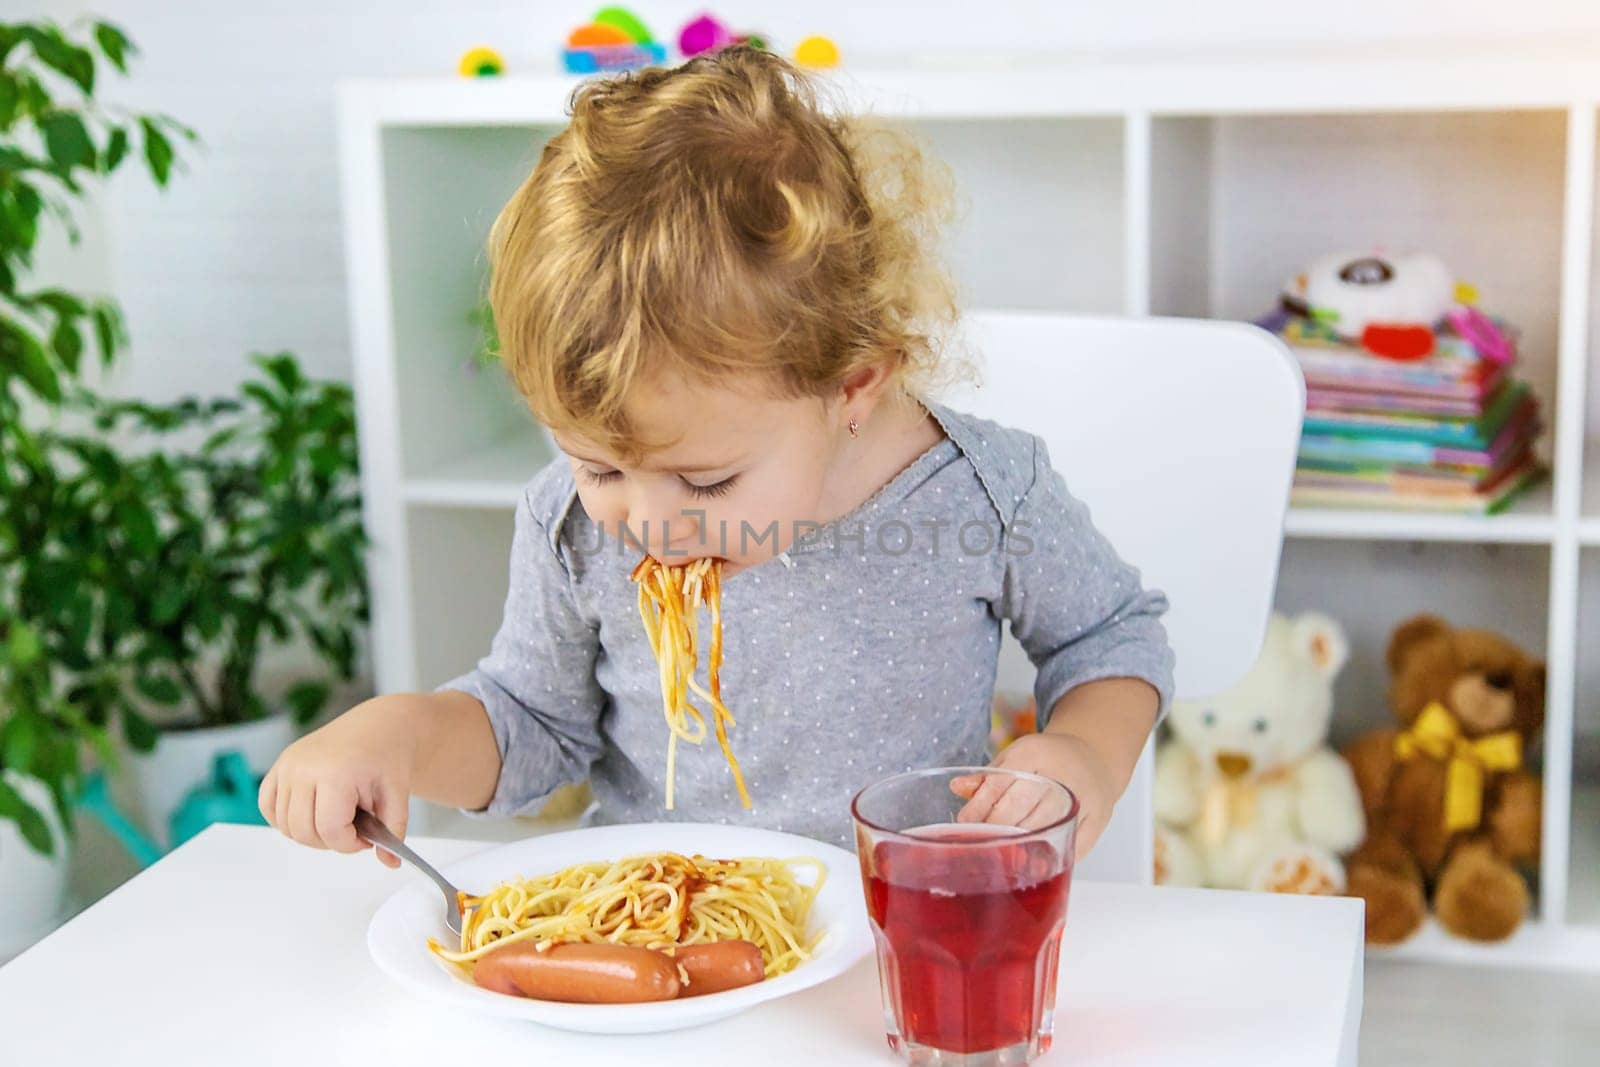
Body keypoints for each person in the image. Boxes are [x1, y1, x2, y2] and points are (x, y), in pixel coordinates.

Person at [259, 47, 1172, 863]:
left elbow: (1111, 635)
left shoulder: (982, 495)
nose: (650, 524)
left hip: (896, 926)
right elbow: (532, 722)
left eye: (707, 479)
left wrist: (1082, 752)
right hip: (652, 924)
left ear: (852, 385)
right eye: (600, 466)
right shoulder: (570, 525)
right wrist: (403, 733)